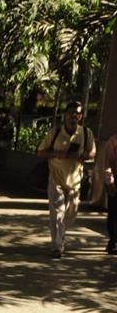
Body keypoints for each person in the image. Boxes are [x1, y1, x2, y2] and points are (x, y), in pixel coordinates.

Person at [37, 100, 96, 259]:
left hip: (75, 182)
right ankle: (57, 247)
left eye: (77, 113)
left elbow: (92, 153)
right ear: (65, 116)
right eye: (71, 113)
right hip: (56, 180)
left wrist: (82, 156)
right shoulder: (55, 132)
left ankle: (59, 236)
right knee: (57, 214)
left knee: (71, 214)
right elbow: (40, 152)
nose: (73, 117)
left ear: (81, 116)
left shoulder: (86, 133)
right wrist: (56, 154)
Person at [100, 132, 117, 255]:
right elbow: (107, 163)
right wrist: (109, 182)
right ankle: (113, 241)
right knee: (114, 212)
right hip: (116, 180)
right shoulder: (113, 141)